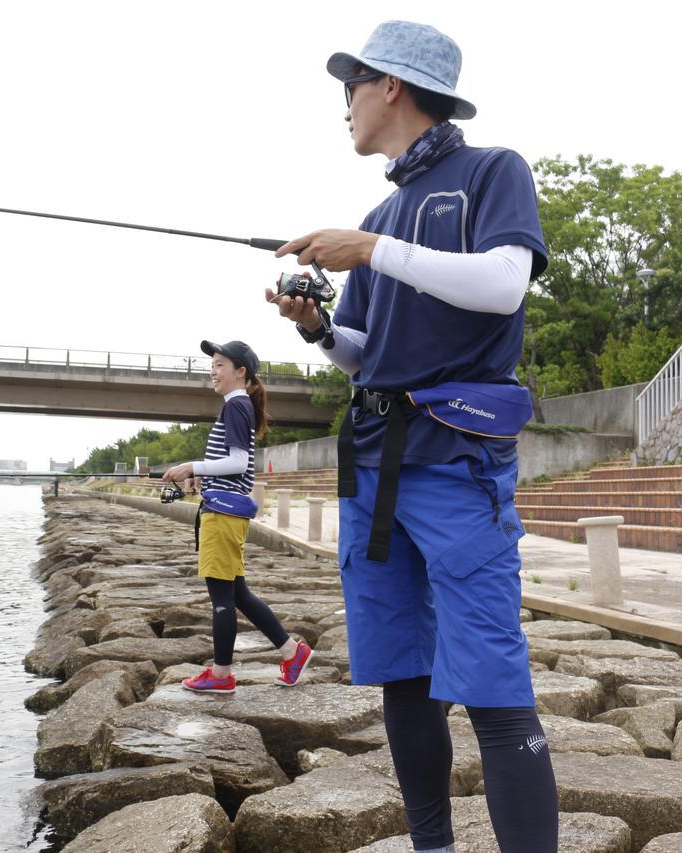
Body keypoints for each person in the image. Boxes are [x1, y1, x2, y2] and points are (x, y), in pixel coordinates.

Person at [265, 20, 559, 853]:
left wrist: (374, 249)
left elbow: (504, 284)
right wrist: (318, 328)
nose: (345, 106)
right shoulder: (378, 211)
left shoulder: (490, 173)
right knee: (403, 675)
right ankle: (433, 847)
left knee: (497, 688)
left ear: (390, 85)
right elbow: (366, 355)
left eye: (349, 86)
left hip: (459, 467)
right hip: (372, 474)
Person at [163, 339, 313, 694]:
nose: (212, 372)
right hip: (225, 507)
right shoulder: (238, 405)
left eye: (219, 365)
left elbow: (238, 462)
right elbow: (232, 466)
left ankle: (221, 674)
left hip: (223, 514)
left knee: (222, 598)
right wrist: (202, 478)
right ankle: (293, 653)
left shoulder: (236, 406)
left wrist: (190, 465)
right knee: (239, 594)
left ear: (240, 372)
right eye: (212, 365)